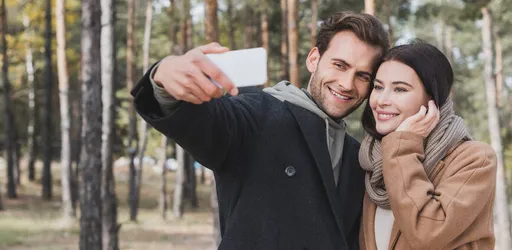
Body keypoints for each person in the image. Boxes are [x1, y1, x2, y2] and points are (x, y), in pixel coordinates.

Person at [131, 11, 390, 250]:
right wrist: (164, 77)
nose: (347, 84)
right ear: (314, 59)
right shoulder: (256, 114)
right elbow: (207, 122)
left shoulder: (358, 157)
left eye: (362, 76)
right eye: (340, 65)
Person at [358, 42, 497, 249]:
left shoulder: (475, 159)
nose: (381, 100)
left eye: (399, 89)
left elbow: (426, 232)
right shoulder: (374, 161)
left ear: (432, 99)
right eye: (378, 87)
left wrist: (402, 145)